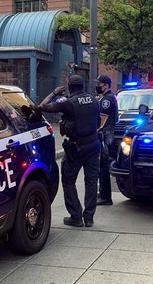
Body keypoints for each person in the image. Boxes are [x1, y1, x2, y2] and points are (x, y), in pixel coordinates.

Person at [38, 75, 100, 227]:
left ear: (69, 87)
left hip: (77, 147)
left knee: (68, 180)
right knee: (91, 181)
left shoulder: (68, 103)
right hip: (94, 144)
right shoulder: (94, 100)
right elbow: (98, 121)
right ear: (83, 86)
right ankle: (89, 217)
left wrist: (54, 92)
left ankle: (76, 216)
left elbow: (42, 106)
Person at [94, 74, 118, 206]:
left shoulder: (106, 100)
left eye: (99, 84)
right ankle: (103, 193)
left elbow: (101, 123)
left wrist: (94, 131)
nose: (97, 86)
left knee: (103, 167)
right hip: (109, 135)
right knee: (103, 166)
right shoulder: (110, 96)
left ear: (106, 85)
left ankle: (105, 197)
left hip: (105, 136)